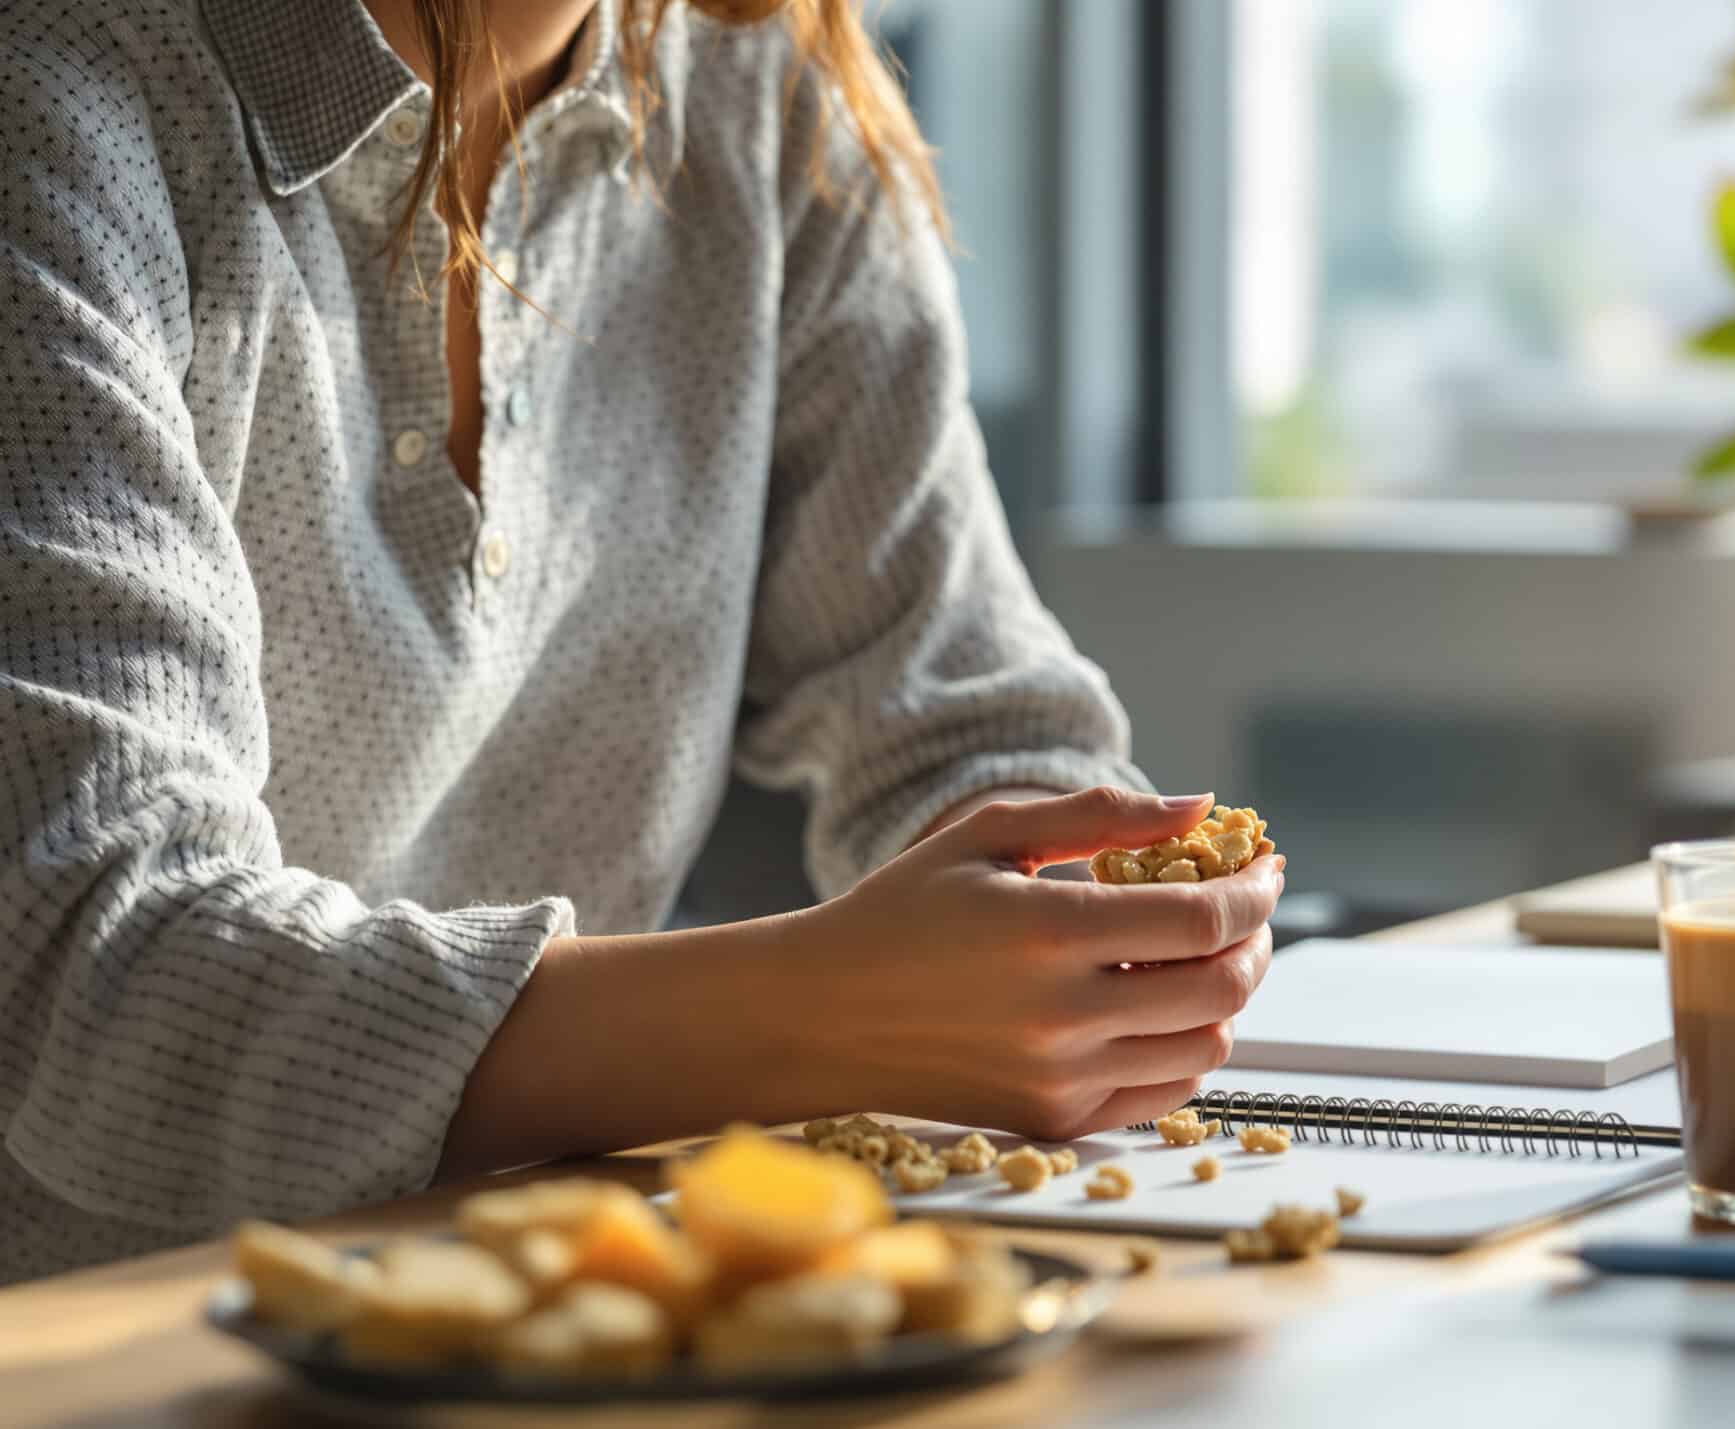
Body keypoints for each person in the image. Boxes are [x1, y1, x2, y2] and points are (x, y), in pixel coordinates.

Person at [0, 0, 1280, 1283]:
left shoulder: (759, 87)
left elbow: (955, 703)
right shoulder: (60, 91)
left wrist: (1061, 921)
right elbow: (90, 976)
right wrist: (824, 1012)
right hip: (102, 1337)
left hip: (584, 1289)